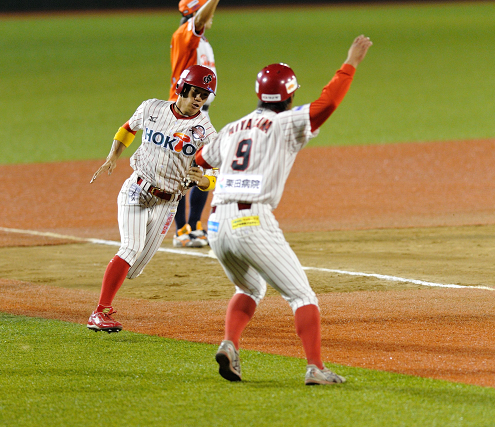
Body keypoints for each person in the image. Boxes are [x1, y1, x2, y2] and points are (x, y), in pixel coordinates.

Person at [195, 35, 373, 385]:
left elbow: (201, 160)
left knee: (250, 288)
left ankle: (230, 344)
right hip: (252, 221)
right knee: (301, 295)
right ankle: (315, 368)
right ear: (289, 94)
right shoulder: (287, 122)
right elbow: (327, 104)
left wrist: (218, 176)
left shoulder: (232, 128)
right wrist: (350, 62)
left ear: (260, 94)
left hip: (215, 224)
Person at [87, 65, 219, 333]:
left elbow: (216, 172)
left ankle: (108, 298)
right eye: (195, 92)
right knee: (129, 248)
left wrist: (203, 181)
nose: (198, 99)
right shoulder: (151, 108)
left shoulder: (206, 131)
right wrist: (113, 155)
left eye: (204, 96)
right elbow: (128, 128)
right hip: (137, 189)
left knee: (133, 268)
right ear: (182, 87)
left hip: (169, 202)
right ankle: (100, 312)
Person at [169, 0, 220, 248]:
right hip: (182, 114)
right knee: (180, 170)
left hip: (199, 114)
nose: (213, 15)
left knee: (205, 166)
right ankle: (181, 229)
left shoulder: (201, 41)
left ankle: (195, 224)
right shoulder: (184, 35)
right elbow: (198, 21)